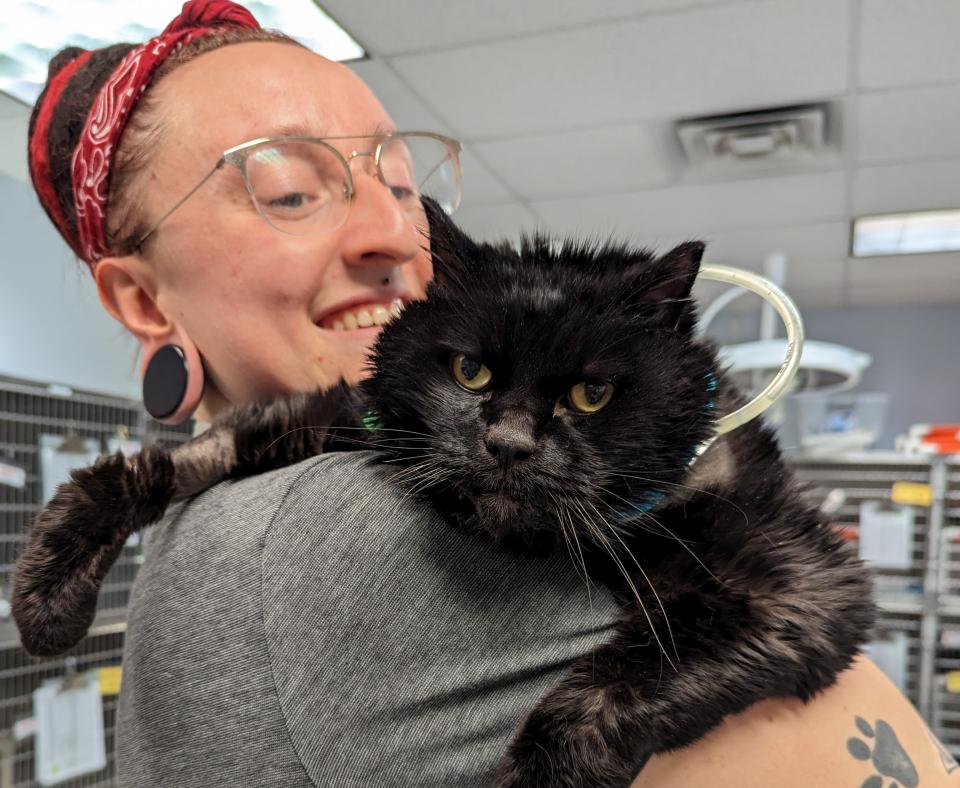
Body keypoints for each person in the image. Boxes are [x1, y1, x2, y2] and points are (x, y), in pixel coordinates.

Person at [23, 1, 960, 785]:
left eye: (399, 183)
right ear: (143, 299)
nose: (391, 234)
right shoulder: (304, 539)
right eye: (290, 191)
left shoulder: (241, 515)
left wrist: (122, 494)